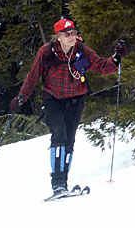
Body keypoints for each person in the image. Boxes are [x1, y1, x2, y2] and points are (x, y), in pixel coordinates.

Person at [10, 18, 127, 196]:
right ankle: (57, 183)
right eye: (67, 34)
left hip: (76, 101)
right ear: (58, 37)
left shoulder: (81, 51)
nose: (72, 37)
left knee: (69, 140)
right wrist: (21, 98)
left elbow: (102, 66)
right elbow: (32, 77)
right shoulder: (46, 52)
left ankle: (63, 184)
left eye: (74, 33)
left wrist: (117, 57)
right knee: (59, 134)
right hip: (53, 100)